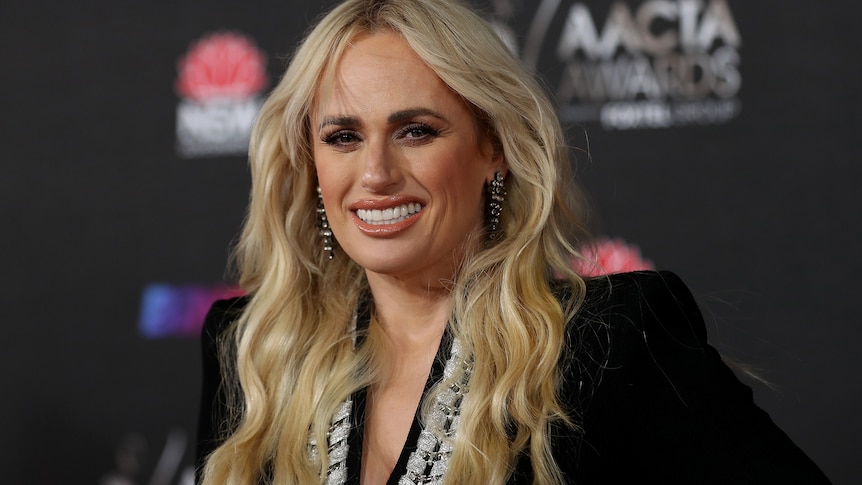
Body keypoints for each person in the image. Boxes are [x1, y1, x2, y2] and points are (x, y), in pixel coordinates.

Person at [195, 0, 831, 483]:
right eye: (342, 137)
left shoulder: (612, 342)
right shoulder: (253, 350)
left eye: (415, 130)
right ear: (309, 162)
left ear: (493, 147)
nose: (376, 174)